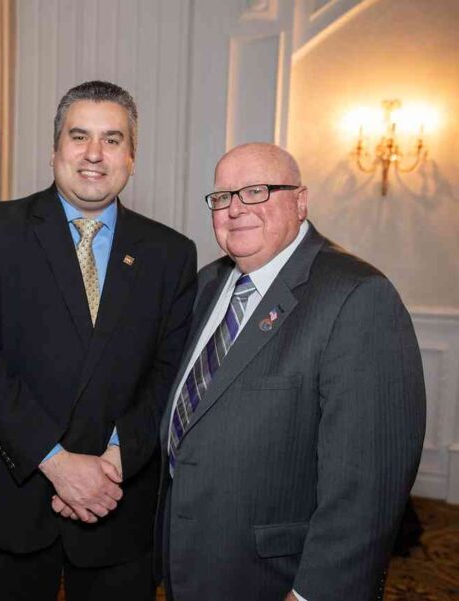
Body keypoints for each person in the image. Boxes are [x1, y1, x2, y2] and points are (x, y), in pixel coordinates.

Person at [0, 80, 197, 600]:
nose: (93, 154)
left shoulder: (170, 253)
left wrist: (110, 464)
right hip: (14, 498)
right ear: (54, 148)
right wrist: (57, 463)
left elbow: (170, 374)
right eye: (78, 135)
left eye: (111, 139)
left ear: (131, 157)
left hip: (119, 501)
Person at [153, 143, 426, 601]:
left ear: (300, 201)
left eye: (256, 191)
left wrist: (314, 593)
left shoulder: (357, 296)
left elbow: (368, 487)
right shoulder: (207, 284)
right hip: (193, 564)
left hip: (277, 579)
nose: (235, 208)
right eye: (222, 197)